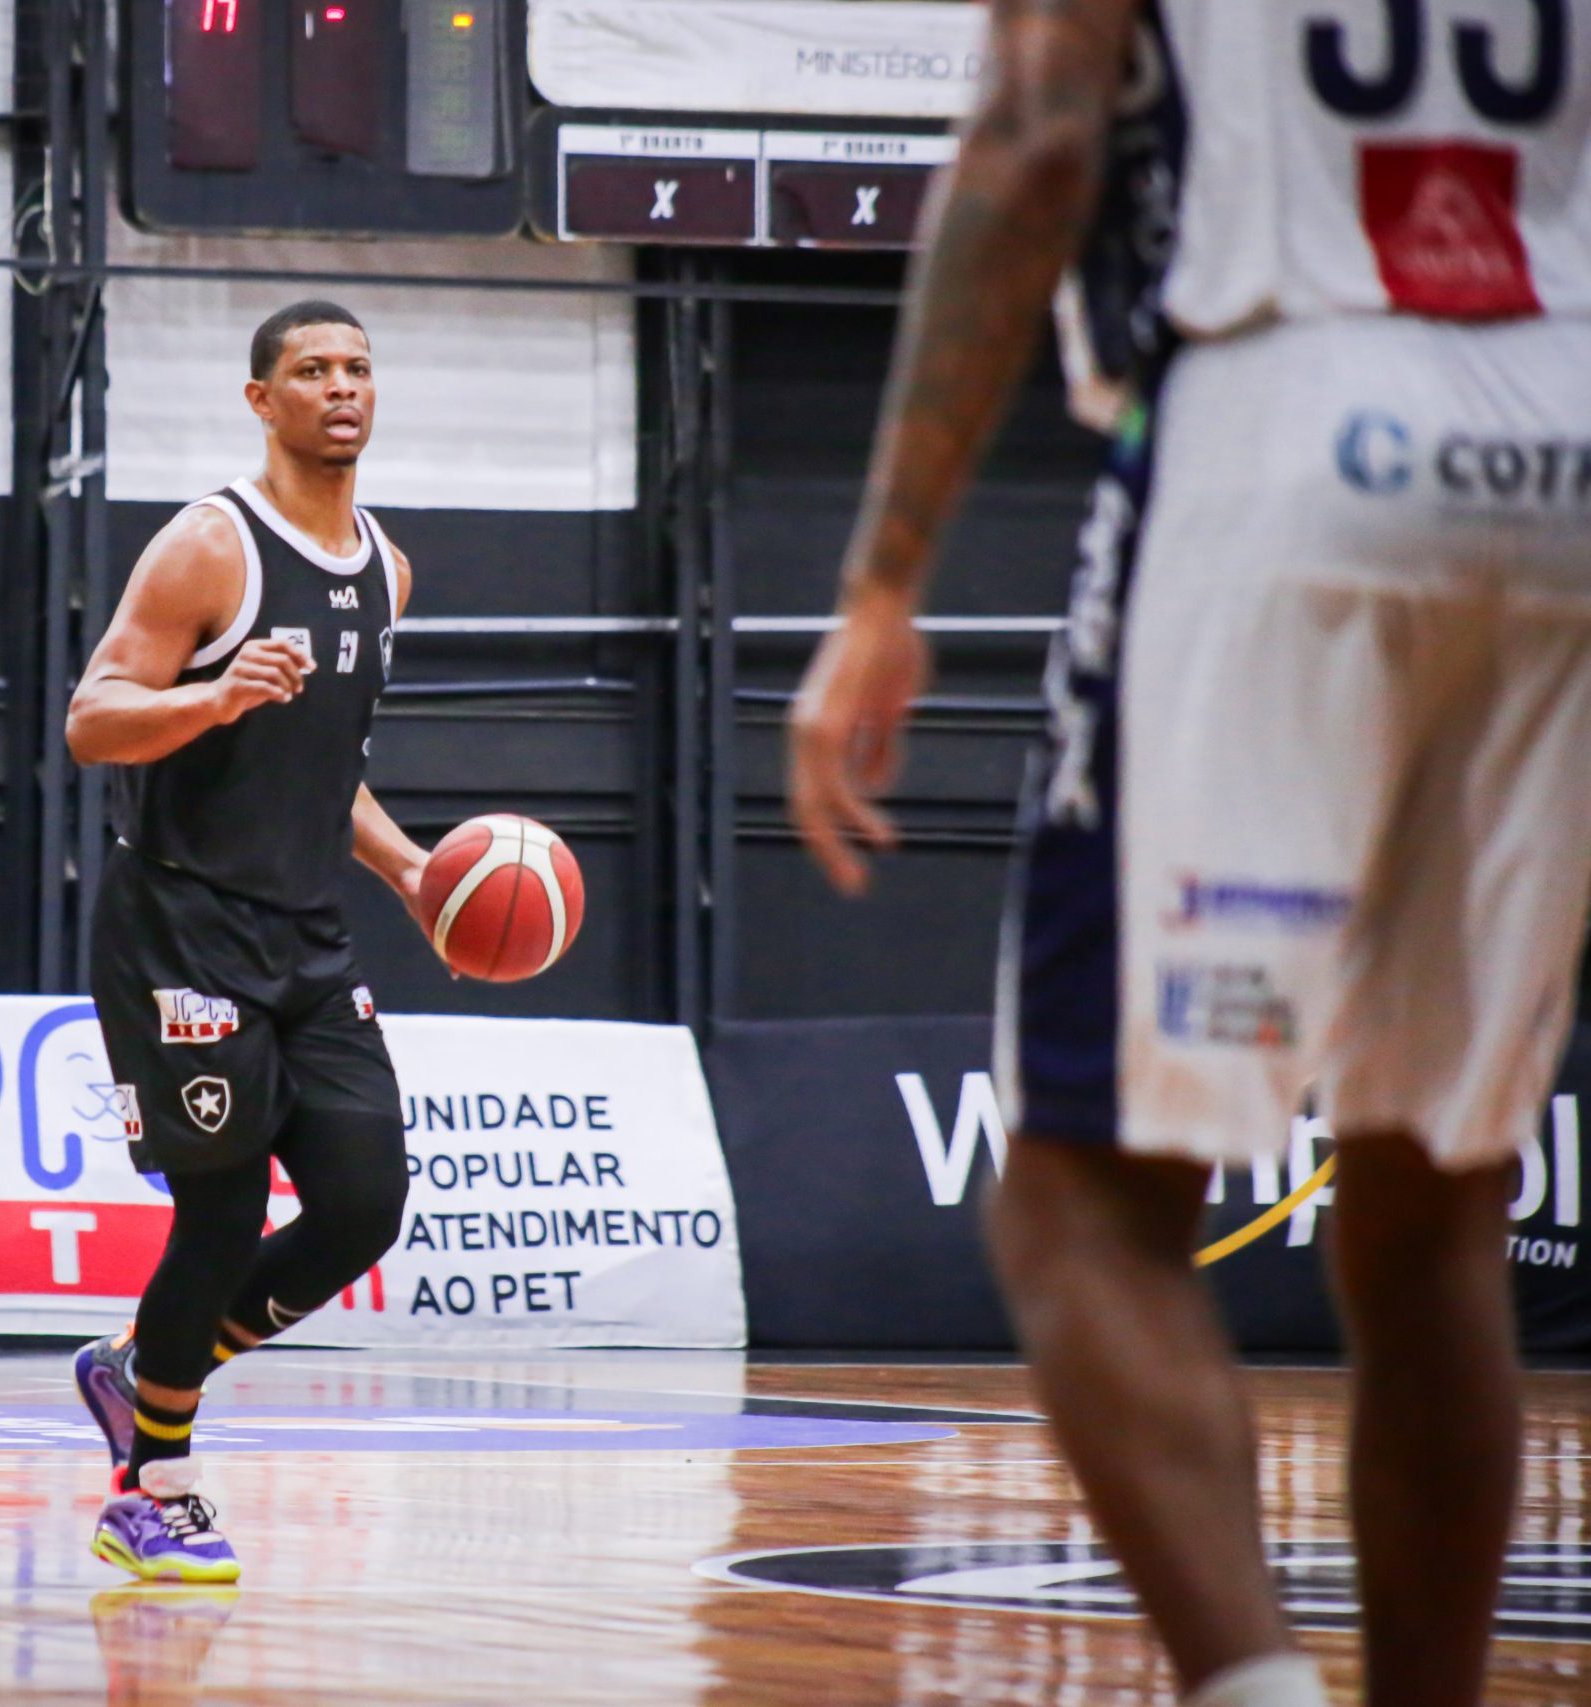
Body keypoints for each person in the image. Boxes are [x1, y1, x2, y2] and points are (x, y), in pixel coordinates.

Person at [786, 3, 1588, 1705]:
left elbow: (1035, 134)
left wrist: (882, 584)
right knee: (1439, 1197)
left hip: (1280, 400)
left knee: (1079, 1201)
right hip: (1568, 447)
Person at [63, 300, 429, 1583]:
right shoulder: (209, 545)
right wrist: (212, 696)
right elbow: (92, 718)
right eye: (311, 371)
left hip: (309, 936)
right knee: (218, 1213)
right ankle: (151, 1485)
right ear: (262, 401)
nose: (341, 387)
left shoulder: (387, 569)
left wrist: (412, 870)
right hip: (181, 931)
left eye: (357, 368)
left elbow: (326, 770)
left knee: (363, 1205)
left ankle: (145, 1373)